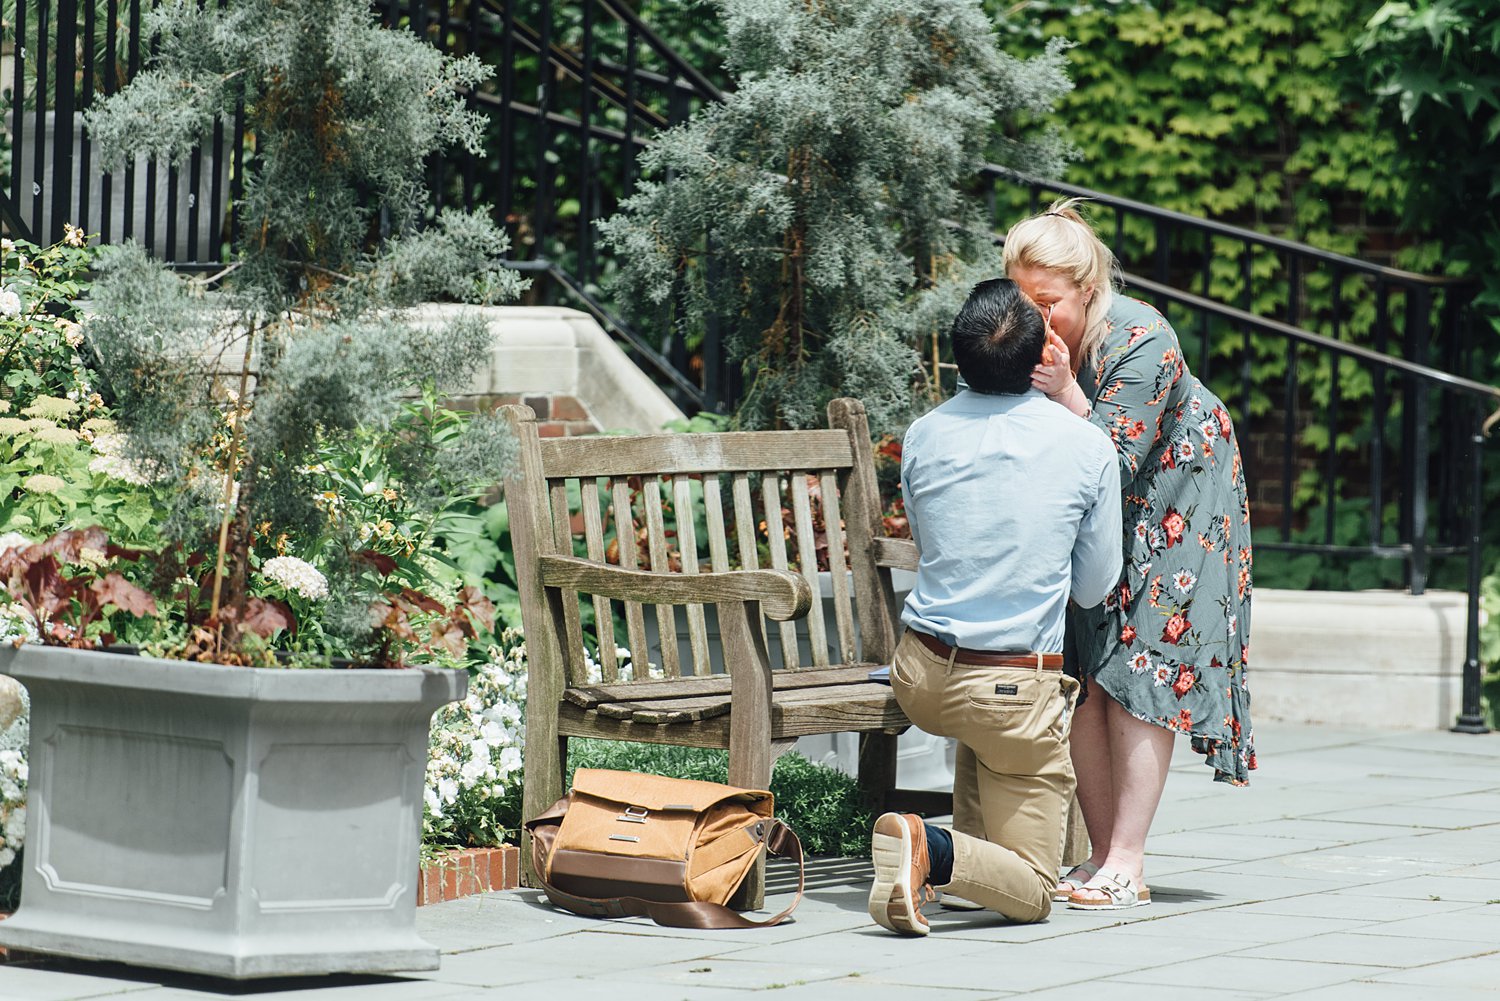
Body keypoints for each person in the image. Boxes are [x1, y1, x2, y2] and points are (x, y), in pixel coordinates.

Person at [1007, 199, 1257, 911]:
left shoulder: (1144, 337)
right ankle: (1096, 854)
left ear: (1087, 289)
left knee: (1140, 666)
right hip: (1104, 509)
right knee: (1087, 668)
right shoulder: (1036, 339)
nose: (1034, 317)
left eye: (1047, 301)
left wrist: (1064, 393)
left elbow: (1113, 461)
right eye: (1022, 300)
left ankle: (1129, 860)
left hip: (1185, 500)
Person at [867, 278, 1122, 936]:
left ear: (960, 360)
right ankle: (933, 846)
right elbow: (1093, 588)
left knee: (983, 727)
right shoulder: (1087, 446)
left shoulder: (924, 434)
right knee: (1038, 884)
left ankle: (953, 878)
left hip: (922, 674)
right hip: (1010, 692)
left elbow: (930, 545)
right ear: (1043, 350)